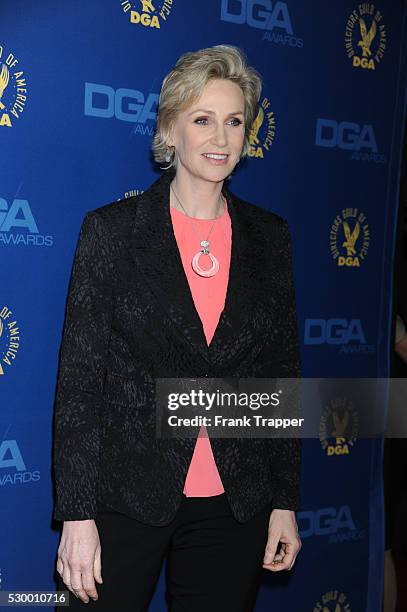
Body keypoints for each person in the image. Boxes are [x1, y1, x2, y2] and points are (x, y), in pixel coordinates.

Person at [53, 44, 302, 611]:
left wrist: (284, 500)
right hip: (125, 497)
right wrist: (77, 513)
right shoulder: (111, 233)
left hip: (235, 501)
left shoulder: (270, 238)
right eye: (203, 120)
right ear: (171, 129)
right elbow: (81, 384)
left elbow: (281, 372)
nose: (220, 138)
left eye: (234, 122)